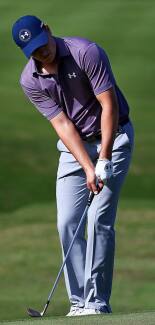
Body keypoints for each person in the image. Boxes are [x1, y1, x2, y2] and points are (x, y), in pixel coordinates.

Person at [12, 15, 134, 316]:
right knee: (67, 221)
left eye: (44, 45)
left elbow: (109, 105)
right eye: (36, 52)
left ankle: (96, 303)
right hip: (74, 145)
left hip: (113, 137)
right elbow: (62, 124)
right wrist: (88, 167)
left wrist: (103, 160)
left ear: (48, 30)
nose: (44, 53)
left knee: (97, 220)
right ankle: (78, 304)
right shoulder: (30, 80)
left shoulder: (86, 52)